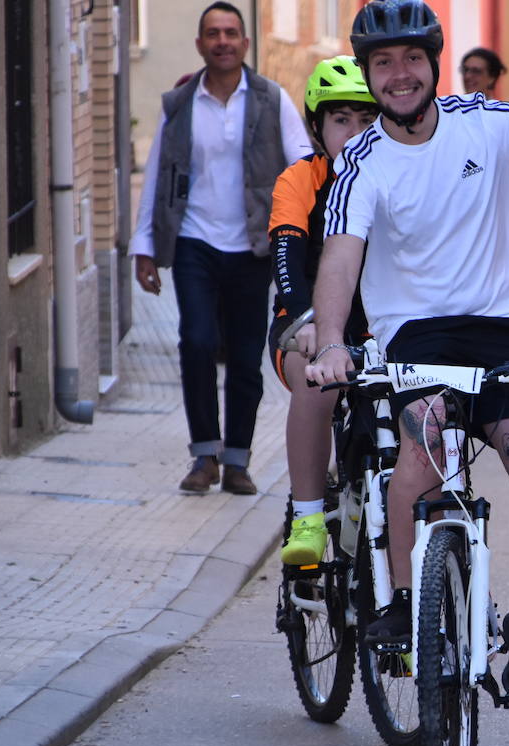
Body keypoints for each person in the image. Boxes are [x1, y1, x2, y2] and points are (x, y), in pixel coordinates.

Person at [305, 0, 509, 701]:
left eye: (411, 58)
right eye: (383, 63)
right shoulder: (362, 162)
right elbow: (340, 261)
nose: (399, 74)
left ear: (433, 62)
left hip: (506, 331)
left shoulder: (485, 121)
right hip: (421, 337)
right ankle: (412, 613)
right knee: (418, 461)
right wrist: (330, 343)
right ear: (368, 72)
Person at [132, 2, 311, 494]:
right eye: (213, 33)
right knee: (196, 342)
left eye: (232, 32)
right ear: (200, 44)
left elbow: (302, 167)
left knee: (247, 356)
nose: (223, 41)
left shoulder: (273, 100)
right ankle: (203, 457)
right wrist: (144, 247)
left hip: (252, 247)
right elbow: (157, 179)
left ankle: (237, 461)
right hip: (194, 242)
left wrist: (303, 238)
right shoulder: (179, 104)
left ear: (245, 43)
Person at [267, 57, 378, 564]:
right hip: (305, 320)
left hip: (382, 327)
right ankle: (308, 515)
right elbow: (287, 257)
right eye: (341, 120)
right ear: (317, 127)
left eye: (367, 119)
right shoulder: (300, 179)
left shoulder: (399, 179)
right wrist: (307, 321)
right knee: (319, 380)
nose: (354, 133)